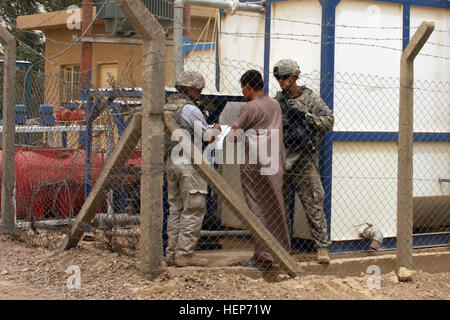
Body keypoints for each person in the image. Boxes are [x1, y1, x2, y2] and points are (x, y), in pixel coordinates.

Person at [273, 59, 334, 264]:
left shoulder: (310, 98)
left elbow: (328, 121)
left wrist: (306, 118)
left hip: (303, 161)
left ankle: (322, 247)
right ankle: (281, 248)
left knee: (314, 203)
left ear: (295, 77)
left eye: (285, 77)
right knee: (279, 207)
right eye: (278, 78)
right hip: (282, 159)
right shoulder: (277, 101)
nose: (281, 81)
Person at [231, 70, 290, 271]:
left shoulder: (250, 107)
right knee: (275, 205)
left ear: (247, 86)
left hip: (255, 163)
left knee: (257, 207)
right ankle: (281, 253)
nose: (243, 92)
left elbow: (234, 134)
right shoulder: (275, 104)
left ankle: (263, 257)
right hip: (275, 160)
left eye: (243, 88)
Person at [164, 71, 220, 267]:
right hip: (190, 162)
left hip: (171, 161)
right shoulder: (190, 110)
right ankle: (184, 255)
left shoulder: (168, 106)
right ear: (190, 90)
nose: (199, 94)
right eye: (198, 90)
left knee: (176, 209)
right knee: (194, 208)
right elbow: (207, 137)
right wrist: (217, 130)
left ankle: (171, 253)